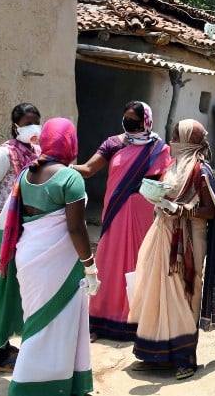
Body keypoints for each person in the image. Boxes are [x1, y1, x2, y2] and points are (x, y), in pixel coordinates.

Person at [127, 119, 215, 380]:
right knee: (156, 292)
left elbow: (211, 211)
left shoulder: (201, 170)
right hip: (164, 232)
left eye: (176, 136)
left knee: (183, 295)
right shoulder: (174, 165)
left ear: (188, 140)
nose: (172, 140)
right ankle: (156, 355)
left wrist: (180, 209)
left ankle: (185, 358)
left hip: (189, 241)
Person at [0, 118, 99, 396]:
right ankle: (30, 386)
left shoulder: (26, 173)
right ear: (70, 143)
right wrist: (90, 265)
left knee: (37, 323)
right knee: (57, 325)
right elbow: (75, 227)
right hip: (59, 264)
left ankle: (59, 383)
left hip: (29, 257)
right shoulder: (69, 177)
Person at [72, 101, 171, 341]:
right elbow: (88, 169)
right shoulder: (113, 143)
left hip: (142, 213)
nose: (129, 123)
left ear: (146, 121)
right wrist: (58, 167)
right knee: (109, 260)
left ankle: (138, 320)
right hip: (115, 212)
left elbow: (164, 182)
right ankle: (99, 319)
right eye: (126, 118)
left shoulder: (159, 148)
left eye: (134, 121)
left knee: (140, 262)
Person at [0, 102, 41, 373]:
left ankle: (2, 343)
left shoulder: (36, 152)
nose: (32, 127)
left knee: (14, 289)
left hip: (24, 230)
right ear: (16, 126)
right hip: (2, 230)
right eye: (27, 123)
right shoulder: (4, 154)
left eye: (36, 121)